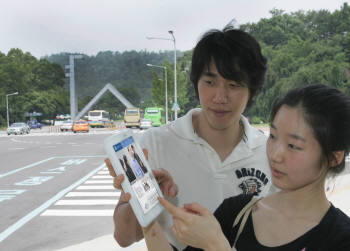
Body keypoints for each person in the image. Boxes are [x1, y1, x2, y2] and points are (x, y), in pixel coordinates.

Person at [105, 26, 274, 250]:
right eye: (210, 82)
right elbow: (124, 237)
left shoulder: (270, 153)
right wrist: (142, 195)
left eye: (233, 85)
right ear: (196, 82)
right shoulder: (154, 144)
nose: (220, 97)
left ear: (253, 91)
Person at [143, 84, 350, 251]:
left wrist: (215, 245)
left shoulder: (340, 238)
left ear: (334, 157)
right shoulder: (237, 212)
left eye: (293, 146)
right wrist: (146, 213)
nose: (275, 154)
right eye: (274, 137)